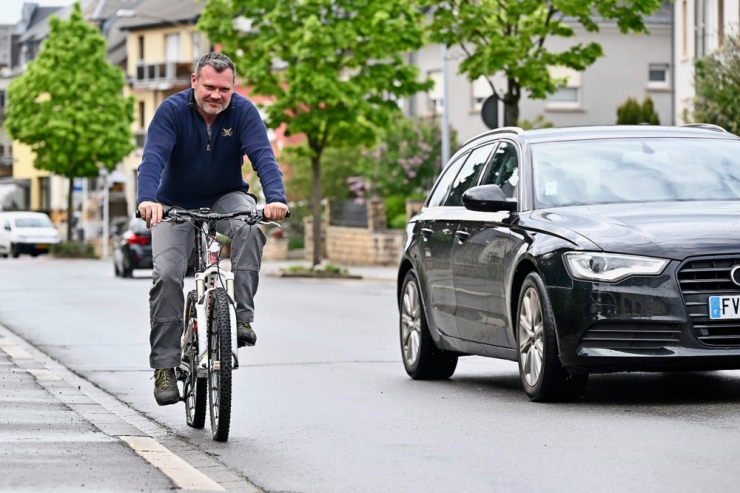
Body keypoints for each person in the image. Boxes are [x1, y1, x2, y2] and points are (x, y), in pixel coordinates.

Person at [137, 52, 288, 406]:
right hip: (173, 205)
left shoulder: (244, 112)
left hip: (226, 196)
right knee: (168, 275)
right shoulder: (171, 112)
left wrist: (275, 198)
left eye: (224, 89)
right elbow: (153, 159)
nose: (216, 95)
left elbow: (263, 157)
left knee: (251, 224)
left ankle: (243, 318)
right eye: (209, 87)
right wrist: (148, 200)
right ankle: (164, 367)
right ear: (194, 82)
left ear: (232, 88)